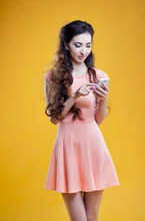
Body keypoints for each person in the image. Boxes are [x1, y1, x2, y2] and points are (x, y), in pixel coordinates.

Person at [44, 20, 120, 221]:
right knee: (79, 219)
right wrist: (75, 96)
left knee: (92, 217)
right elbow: (55, 118)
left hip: (93, 145)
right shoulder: (53, 77)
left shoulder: (99, 76)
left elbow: (98, 120)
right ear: (66, 44)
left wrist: (102, 98)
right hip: (68, 147)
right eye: (78, 45)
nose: (83, 51)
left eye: (88, 45)